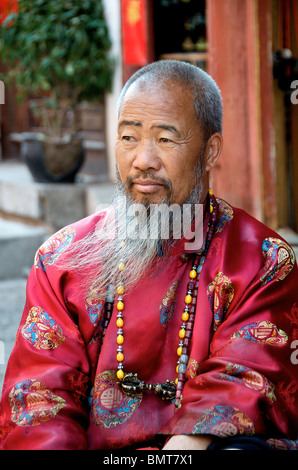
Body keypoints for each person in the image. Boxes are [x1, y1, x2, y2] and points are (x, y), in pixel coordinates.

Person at [1, 60, 298, 451]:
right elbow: (39, 394)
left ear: (210, 151)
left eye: (165, 139)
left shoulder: (261, 260)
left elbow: (250, 374)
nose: (143, 160)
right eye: (128, 137)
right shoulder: (62, 260)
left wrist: (186, 445)